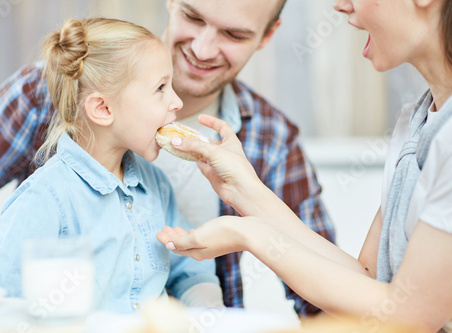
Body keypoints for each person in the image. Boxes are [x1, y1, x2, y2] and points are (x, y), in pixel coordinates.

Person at [0, 0, 335, 315]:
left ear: (268, 35)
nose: (201, 49)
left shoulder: (268, 140)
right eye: (193, 16)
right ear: (99, 108)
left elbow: (325, 292)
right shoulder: (47, 103)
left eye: (233, 34)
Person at [157, 0, 452, 331]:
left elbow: (411, 315)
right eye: (194, 17)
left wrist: (248, 231)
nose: (340, 6)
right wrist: (245, 191)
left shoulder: (274, 136)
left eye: (234, 34)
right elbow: (367, 281)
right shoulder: (415, 122)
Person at [0, 18, 224, 313]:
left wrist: (210, 315)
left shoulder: (155, 186)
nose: (177, 102)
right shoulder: (45, 199)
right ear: (103, 109)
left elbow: (191, 271)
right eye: (160, 88)